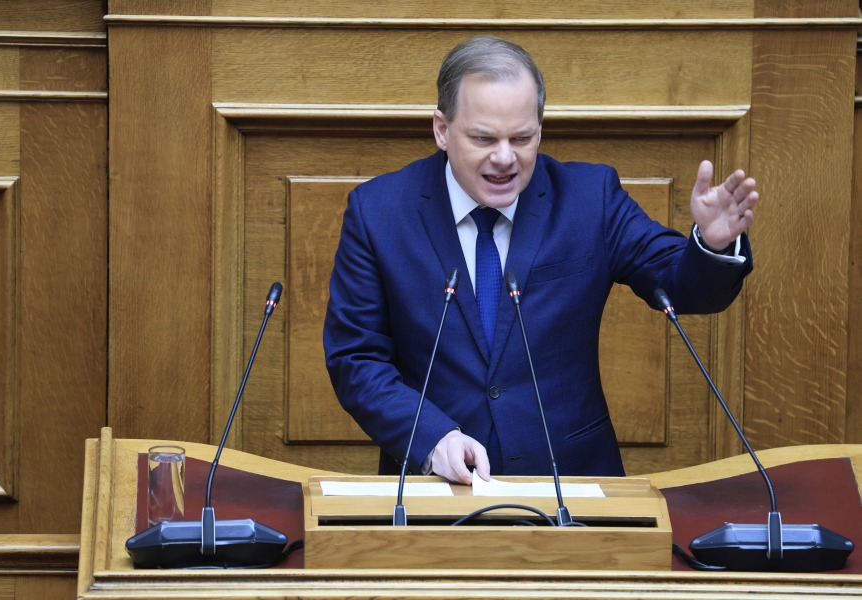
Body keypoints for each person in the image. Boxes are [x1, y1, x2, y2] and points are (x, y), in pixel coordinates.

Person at [323, 35, 758, 485]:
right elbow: (356, 358)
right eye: (483, 138)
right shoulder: (379, 212)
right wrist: (431, 438)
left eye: (522, 137)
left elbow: (680, 284)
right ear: (442, 130)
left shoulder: (590, 200)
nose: (505, 158)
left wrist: (712, 245)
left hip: (571, 485)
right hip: (435, 488)